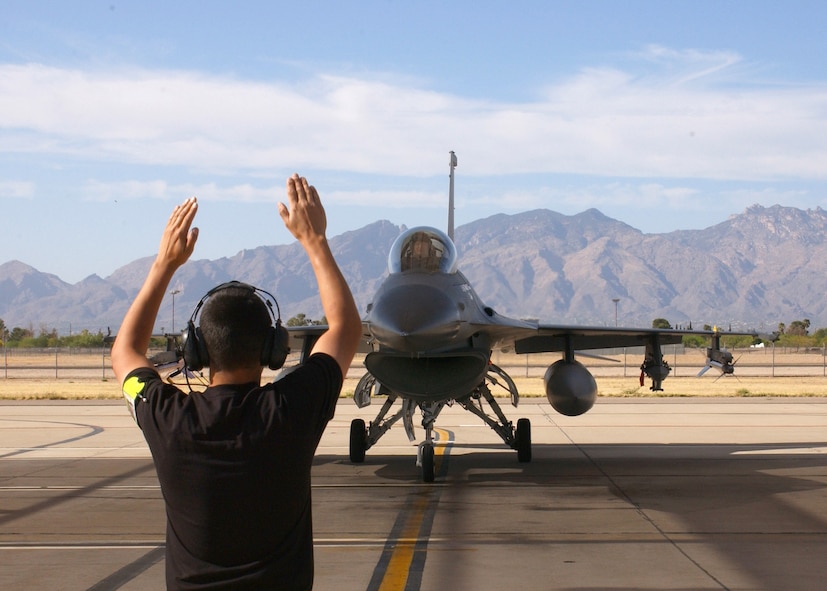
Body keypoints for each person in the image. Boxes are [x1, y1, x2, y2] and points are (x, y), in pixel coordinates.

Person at [111, 174, 362, 590]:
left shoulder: (166, 417)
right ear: (272, 350)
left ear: (196, 353)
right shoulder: (291, 409)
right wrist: (314, 240)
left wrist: (164, 263)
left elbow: (125, 352)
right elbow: (346, 328)